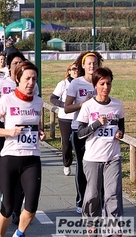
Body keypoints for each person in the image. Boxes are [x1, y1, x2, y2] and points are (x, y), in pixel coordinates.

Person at [0, 61, 45, 237]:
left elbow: (36, 125)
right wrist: (9, 131)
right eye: (27, 78)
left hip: (32, 158)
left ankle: (19, 233)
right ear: (18, 79)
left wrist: (39, 132)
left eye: (34, 79)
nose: (31, 83)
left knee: (32, 206)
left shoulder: (38, 102)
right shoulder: (7, 100)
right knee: (7, 208)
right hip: (10, 158)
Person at [76, 67, 125, 226]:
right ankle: (92, 225)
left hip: (113, 157)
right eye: (102, 84)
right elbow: (80, 133)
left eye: (109, 83)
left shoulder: (117, 105)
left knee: (112, 194)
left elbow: (121, 127)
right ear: (95, 85)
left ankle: (113, 227)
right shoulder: (88, 106)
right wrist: (96, 124)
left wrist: (120, 133)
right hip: (93, 158)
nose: (106, 87)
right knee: (92, 195)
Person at [64, 51, 103, 214]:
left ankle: (97, 201)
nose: (92, 66)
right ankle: (81, 201)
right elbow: (66, 108)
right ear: (83, 65)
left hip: (97, 130)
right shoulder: (76, 83)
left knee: (98, 166)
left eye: (95, 63)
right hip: (79, 129)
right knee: (82, 165)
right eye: (89, 63)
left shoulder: (100, 82)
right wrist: (84, 104)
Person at [50, 61, 78, 176]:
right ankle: (67, 164)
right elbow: (53, 98)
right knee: (66, 143)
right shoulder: (63, 84)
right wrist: (64, 105)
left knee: (79, 142)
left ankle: (82, 164)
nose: (76, 71)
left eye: (78, 69)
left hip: (79, 117)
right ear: (69, 71)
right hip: (65, 117)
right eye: (74, 69)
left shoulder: (84, 83)